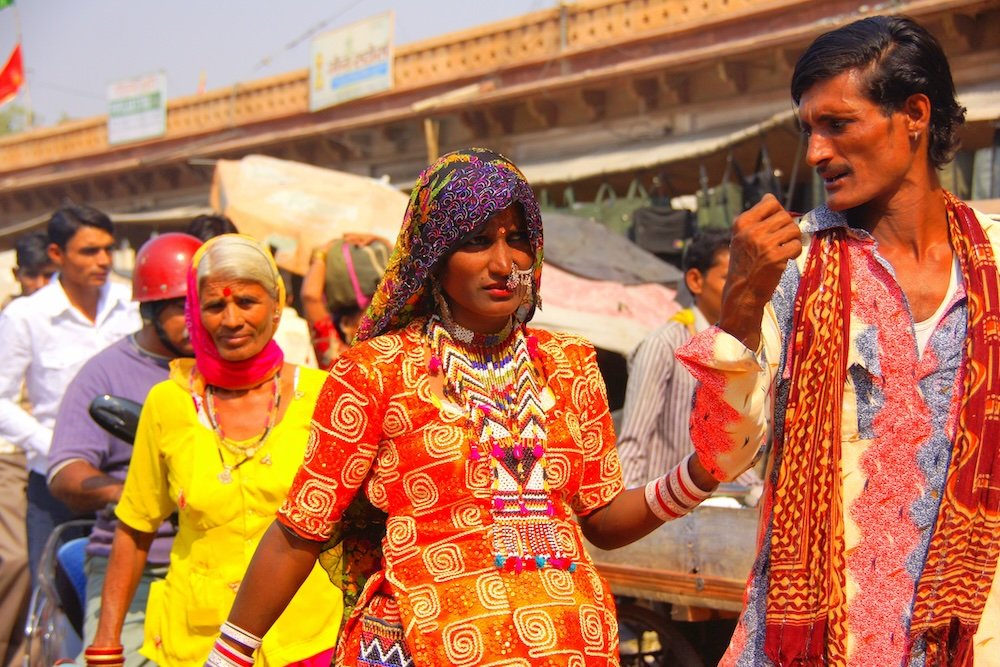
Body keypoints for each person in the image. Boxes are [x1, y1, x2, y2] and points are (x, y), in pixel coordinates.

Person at [210, 147, 720, 666]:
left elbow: (603, 521)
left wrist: (700, 473)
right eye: (476, 241)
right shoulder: (374, 371)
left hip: (570, 647)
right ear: (434, 253)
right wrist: (229, 655)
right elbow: (300, 528)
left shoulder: (570, 365)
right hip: (420, 645)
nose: (505, 264)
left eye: (517, 238)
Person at [676, 15, 1000, 666]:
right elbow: (722, 451)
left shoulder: (994, 258)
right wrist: (741, 301)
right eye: (809, 130)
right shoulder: (790, 268)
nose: (817, 152)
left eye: (837, 124)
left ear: (913, 114)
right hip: (816, 640)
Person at [86, 234, 340, 667]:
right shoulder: (168, 403)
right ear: (195, 314)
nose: (232, 319)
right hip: (198, 642)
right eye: (215, 306)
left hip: (307, 638)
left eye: (246, 301)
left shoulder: (324, 396)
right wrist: (106, 644)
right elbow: (135, 526)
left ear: (276, 307)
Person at [47, 232, 202, 666]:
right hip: (139, 563)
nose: (197, 320)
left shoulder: (225, 368)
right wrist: (132, 494)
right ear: (149, 310)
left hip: (218, 556)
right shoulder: (105, 373)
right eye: (180, 307)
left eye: (201, 304)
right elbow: (65, 471)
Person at [0, 201, 140, 581]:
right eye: (89, 251)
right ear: (56, 254)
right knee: (58, 598)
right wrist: (56, 446)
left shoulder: (131, 304)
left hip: (130, 478)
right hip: (55, 484)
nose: (103, 260)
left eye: (108, 249)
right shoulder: (26, 316)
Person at [618, 228, 749, 490]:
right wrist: (627, 519)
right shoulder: (664, 345)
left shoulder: (736, 348)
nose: (739, 288)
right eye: (728, 278)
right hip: (661, 509)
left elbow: (729, 449)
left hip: (713, 508)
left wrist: (755, 490)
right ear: (695, 281)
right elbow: (633, 440)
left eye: (744, 278)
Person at [0, 230, 57, 666]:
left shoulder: (55, 316)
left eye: (47, 275)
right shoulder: (15, 317)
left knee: (42, 563)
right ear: (18, 275)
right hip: (9, 453)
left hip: (45, 457)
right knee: (16, 559)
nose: (40, 283)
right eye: (32, 275)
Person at [299, 234, 391, 368]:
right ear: (347, 325)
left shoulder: (336, 356)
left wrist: (381, 243)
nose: (373, 320)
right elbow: (310, 297)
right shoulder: (338, 356)